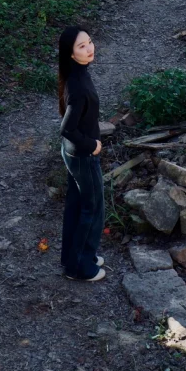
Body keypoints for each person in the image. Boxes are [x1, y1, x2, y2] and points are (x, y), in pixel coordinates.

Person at [58, 24, 105, 281]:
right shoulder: (77, 85)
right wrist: (92, 145)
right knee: (93, 207)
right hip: (82, 155)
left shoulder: (79, 73)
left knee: (77, 206)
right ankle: (81, 268)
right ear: (71, 54)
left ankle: (76, 257)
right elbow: (67, 128)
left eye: (89, 42)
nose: (89, 48)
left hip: (75, 154)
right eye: (81, 46)